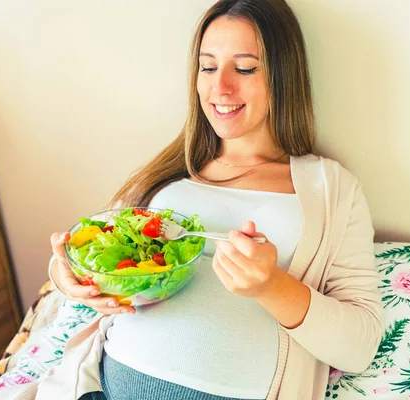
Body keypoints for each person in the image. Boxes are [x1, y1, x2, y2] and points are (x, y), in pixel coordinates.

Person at [47, 0, 383, 399]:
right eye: (208, 67)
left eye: (244, 68)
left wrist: (271, 286)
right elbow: (108, 252)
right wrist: (67, 274)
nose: (220, 87)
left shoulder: (331, 188)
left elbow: (360, 347)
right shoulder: (163, 175)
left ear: (282, 75)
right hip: (109, 386)